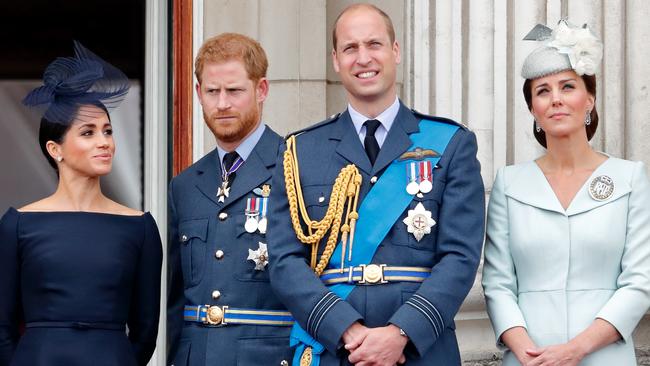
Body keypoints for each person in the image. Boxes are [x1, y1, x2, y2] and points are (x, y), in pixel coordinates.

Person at [266, 4, 485, 365]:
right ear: (335, 60)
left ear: (395, 51)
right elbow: (285, 260)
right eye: (350, 48)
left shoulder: (451, 143)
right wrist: (346, 330)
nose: (363, 58)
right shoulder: (299, 151)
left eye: (374, 44)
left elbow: (460, 257)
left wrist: (402, 333)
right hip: (336, 349)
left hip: (418, 351)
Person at [482, 20, 650, 366]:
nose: (555, 99)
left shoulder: (630, 178)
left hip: (606, 356)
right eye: (542, 91)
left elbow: (639, 281)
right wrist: (529, 354)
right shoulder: (509, 183)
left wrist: (576, 349)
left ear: (589, 99)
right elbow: (497, 284)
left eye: (567, 86)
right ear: (533, 111)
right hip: (528, 358)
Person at [0, 41, 163, 366]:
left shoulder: (140, 227)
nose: (104, 142)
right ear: (55, 149)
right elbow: (1, 327)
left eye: (108, 131)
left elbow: (146, 333)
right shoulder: (17, 225)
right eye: (88, 133)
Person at [167, 33, 293, 366]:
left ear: (261, 89)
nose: (222, 104)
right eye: (212, 91)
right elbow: (174, 300)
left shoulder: (295, 168)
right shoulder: (184, 185)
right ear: (198, 93)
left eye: (234, 91)